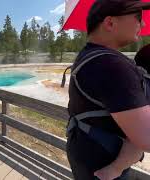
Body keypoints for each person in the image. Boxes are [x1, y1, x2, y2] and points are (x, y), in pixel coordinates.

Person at [66, 0, 150, 179]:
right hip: (104, 169)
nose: (142, 24)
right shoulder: (110, 65)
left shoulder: (88, 56)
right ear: (110, 23)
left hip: (88, 159)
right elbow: (147, 138)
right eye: (137, 17)